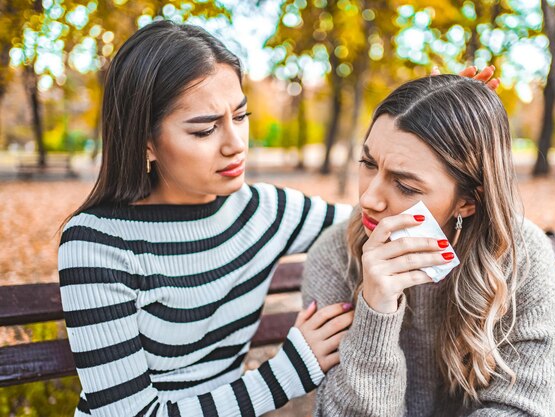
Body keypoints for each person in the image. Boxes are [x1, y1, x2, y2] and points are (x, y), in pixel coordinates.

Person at [57, 20, 356, 416]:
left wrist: (452, 119)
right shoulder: (98, 243)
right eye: (204, 130)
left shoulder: (263, 211)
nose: (236, 144)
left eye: (241, 116)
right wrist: (289, 373)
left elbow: (373, 222)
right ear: (145, 142)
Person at [301, 75, 555, 416]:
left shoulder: (521, 255)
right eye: (368, 164)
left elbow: (523, 408)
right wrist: (376, 309)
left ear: (468, 201)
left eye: (405, 185)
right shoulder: (335, 256)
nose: (368, 199)